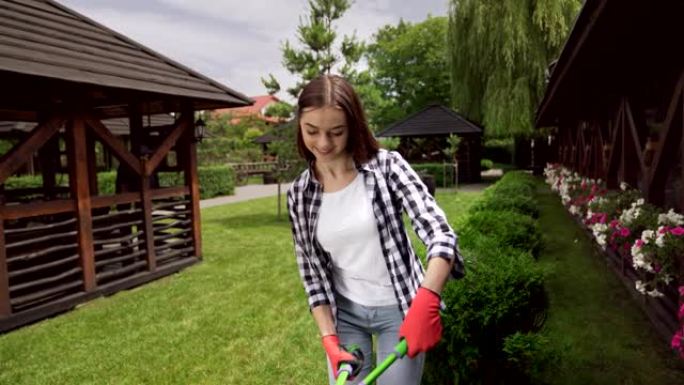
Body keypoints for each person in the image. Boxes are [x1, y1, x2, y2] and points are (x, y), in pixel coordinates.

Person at [286, 74, 464, 385]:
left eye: (336, 132)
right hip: (346, 314)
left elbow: (440, 233)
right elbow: (311, 274)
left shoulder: (387, 168)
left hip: (399, 309)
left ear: (353, 127)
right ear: (300, 127)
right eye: (312, 131)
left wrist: (427, 298)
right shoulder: (300, 194)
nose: (324, 144)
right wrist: (328, 336)